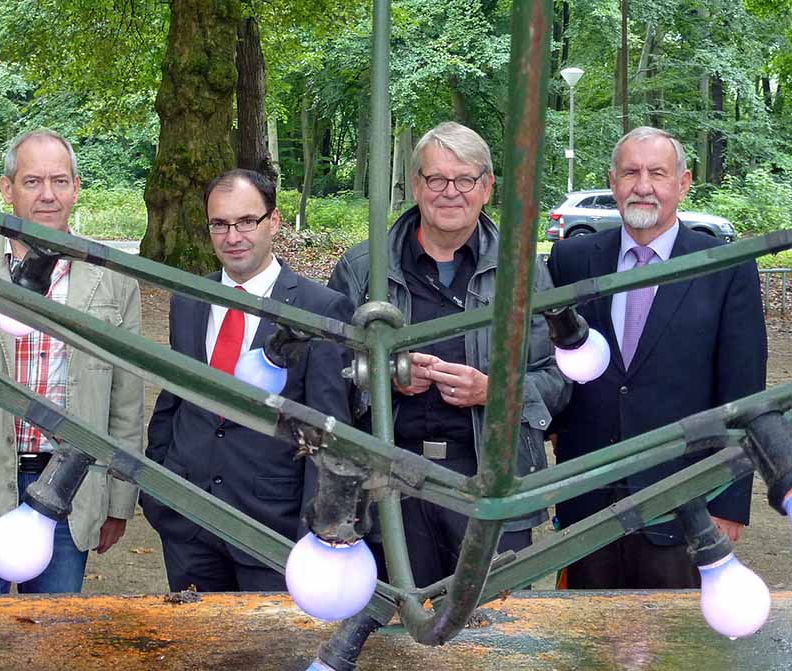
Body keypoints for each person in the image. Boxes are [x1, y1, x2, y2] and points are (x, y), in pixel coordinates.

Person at [327, 122, 569, 588]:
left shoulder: (525, 274)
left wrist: (493, 392)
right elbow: (326, 375)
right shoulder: (364, 269)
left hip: (490, 482)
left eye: (465, 180)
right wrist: (384, 379)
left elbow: (561, 376)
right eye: (436, 179)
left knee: (497, 637)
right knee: (398, 636)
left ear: (487, 187)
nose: (450, 192)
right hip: (388, 485)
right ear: (416, 185)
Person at [0, 129, 144, 594]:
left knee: (52, 645)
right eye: (32, 182)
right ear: (6, 188)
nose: (48, 195)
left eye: (59, 181)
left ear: (76, 187)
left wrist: (118, 500)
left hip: (69, 491)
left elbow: (126, 404)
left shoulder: (113, 284)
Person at [546, 126, 767, 589]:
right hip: (589, 503)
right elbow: (552, 367)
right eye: (631, 172)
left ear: (683, 184)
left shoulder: (724, 267)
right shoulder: (570, 260)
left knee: (674, 648)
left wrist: (730, 503)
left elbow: (745, 392)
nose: (643, 185)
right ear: (613, 181)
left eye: (657, 173)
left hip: (684, 503)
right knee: (585, 647)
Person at [143, 168, 353, 592]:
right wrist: (158, 489)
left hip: (271, 528)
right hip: (188, 522)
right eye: (219, 224)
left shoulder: (319, 309)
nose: (232, 236)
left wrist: (317, 530)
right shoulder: (189, 299)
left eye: (245, 222)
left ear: (273, 222)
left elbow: (330, 430)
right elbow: (174, 399)